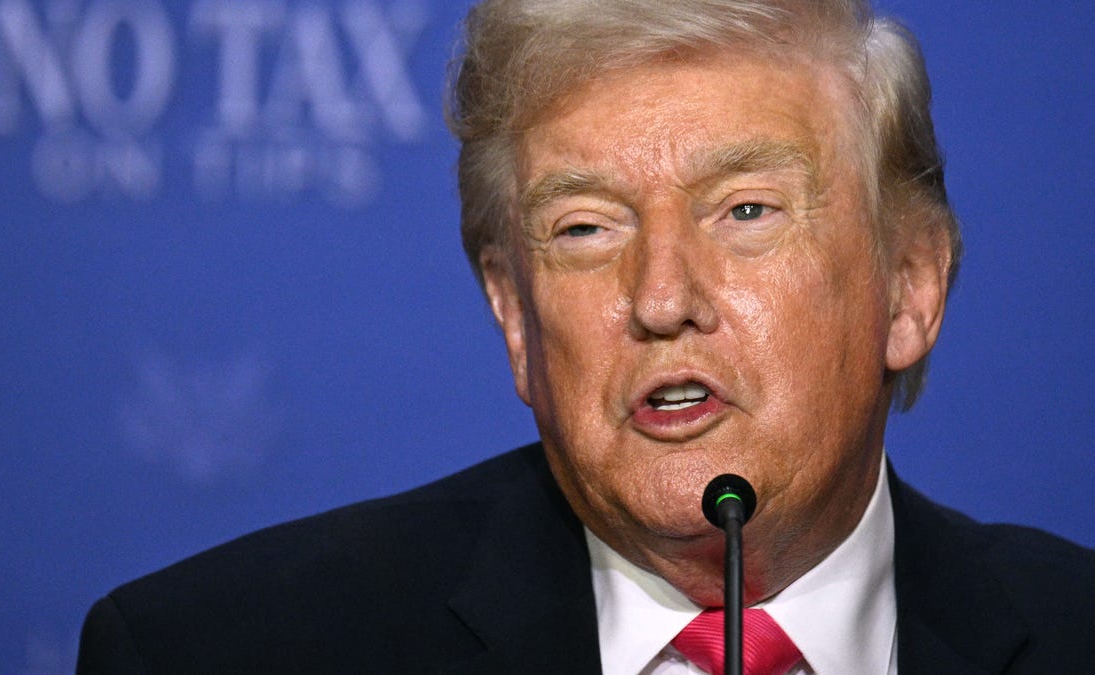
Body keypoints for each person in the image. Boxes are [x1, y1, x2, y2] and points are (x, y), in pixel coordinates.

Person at [77, 0, 1095, 672]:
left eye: (745, 211)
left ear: (912, 285)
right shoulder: (218, 652)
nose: (660, 297)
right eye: (585, 229)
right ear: (514, 316)